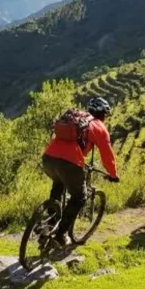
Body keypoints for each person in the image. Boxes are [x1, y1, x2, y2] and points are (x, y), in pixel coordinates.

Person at [42, 97, 120, 246]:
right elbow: (107, 155)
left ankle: (48, 223)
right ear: (103, 114)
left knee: (58, 184)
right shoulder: (98, 126)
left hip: (48, 158)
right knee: (80, 197)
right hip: (69, 163)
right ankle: (60, 235)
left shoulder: (76, 119)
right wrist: (113, 175)